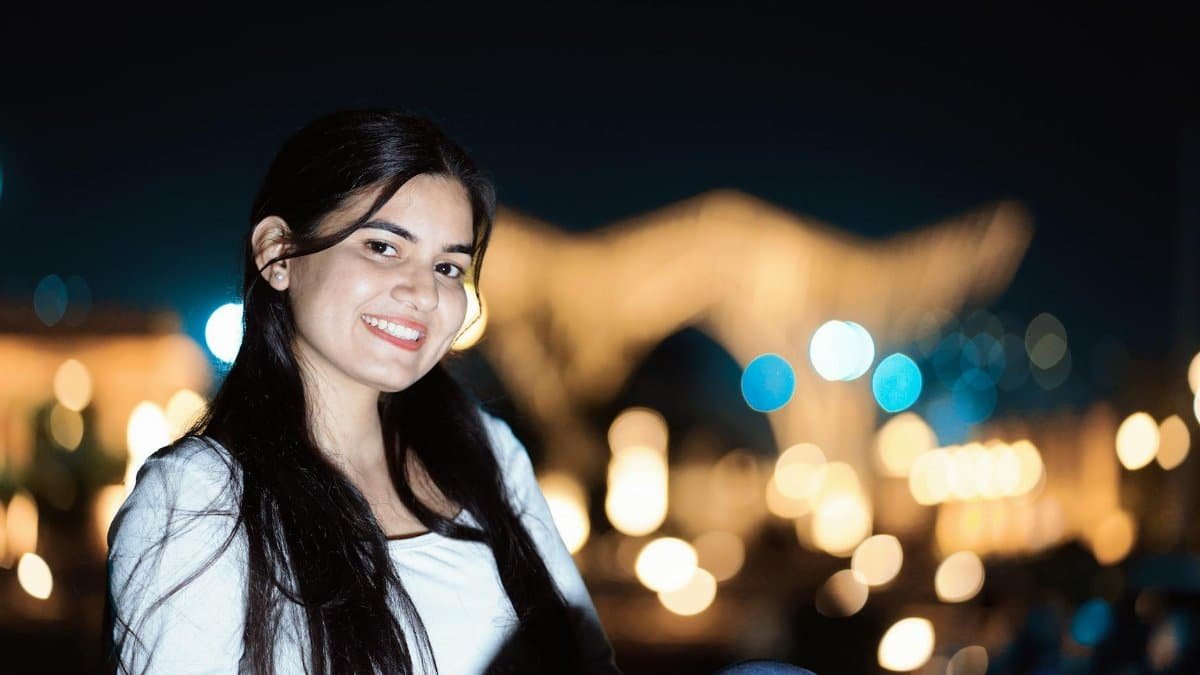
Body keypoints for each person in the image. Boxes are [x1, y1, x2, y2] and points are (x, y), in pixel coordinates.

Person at [105, 110, 620, 674]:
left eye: (449, 267)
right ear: (278, 254)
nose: (423, 292)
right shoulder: (201, 498)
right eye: (382, 247)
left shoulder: (485, 450)